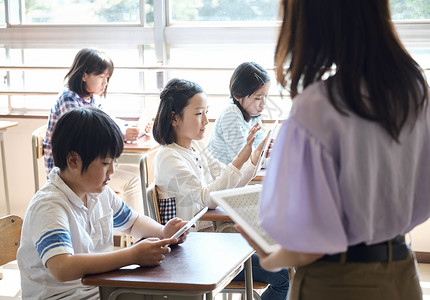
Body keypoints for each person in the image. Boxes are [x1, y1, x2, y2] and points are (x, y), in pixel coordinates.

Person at [235, 1, 430, 300]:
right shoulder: (416, 90)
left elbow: (311, 247)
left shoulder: (318, 108)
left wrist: (271, 258)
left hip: (339, 281)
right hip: (402, 272)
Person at [18, 107, 188, 300]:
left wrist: (163, 232)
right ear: (73, 160)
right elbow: (61, 267)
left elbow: (133, 223)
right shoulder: (49, 204)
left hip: (98, 289)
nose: (113, 171)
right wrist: (131, 255)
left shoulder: (99, 193)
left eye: (115, 162)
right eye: (106, 163)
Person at [152, 78, 289, 300]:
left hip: (212, 241)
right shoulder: (169, 157)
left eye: (206, 112)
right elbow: (210, 198)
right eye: (198, 114)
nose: (206, 120)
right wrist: (242, 157)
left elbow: (225, 183)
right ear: (174, 118)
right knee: (283, 274)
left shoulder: (195, 147)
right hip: (195, 250)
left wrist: (253, 158)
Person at [42, 48, 147, 214]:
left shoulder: (89, 97)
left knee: (137, 173)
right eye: (101, 77)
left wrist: (128, 129)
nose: (105, 83)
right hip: (70, 173)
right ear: (84, 75)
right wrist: (121, 134)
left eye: (107, 78)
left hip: (87, 165)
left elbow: (105, 121)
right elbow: (87, 138)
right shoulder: (68, 99)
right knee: (133, 180)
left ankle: (137, 230)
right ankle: (137, 233)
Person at [207, 62, 270, 164]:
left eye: (265, 96)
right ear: (237, 95)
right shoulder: (231, 114)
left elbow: (260, 149)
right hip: (219, 177)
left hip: (236, 177)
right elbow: (245, 161)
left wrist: (269, 151)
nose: (263, 104)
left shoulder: (253, 113)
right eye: (258, 98)